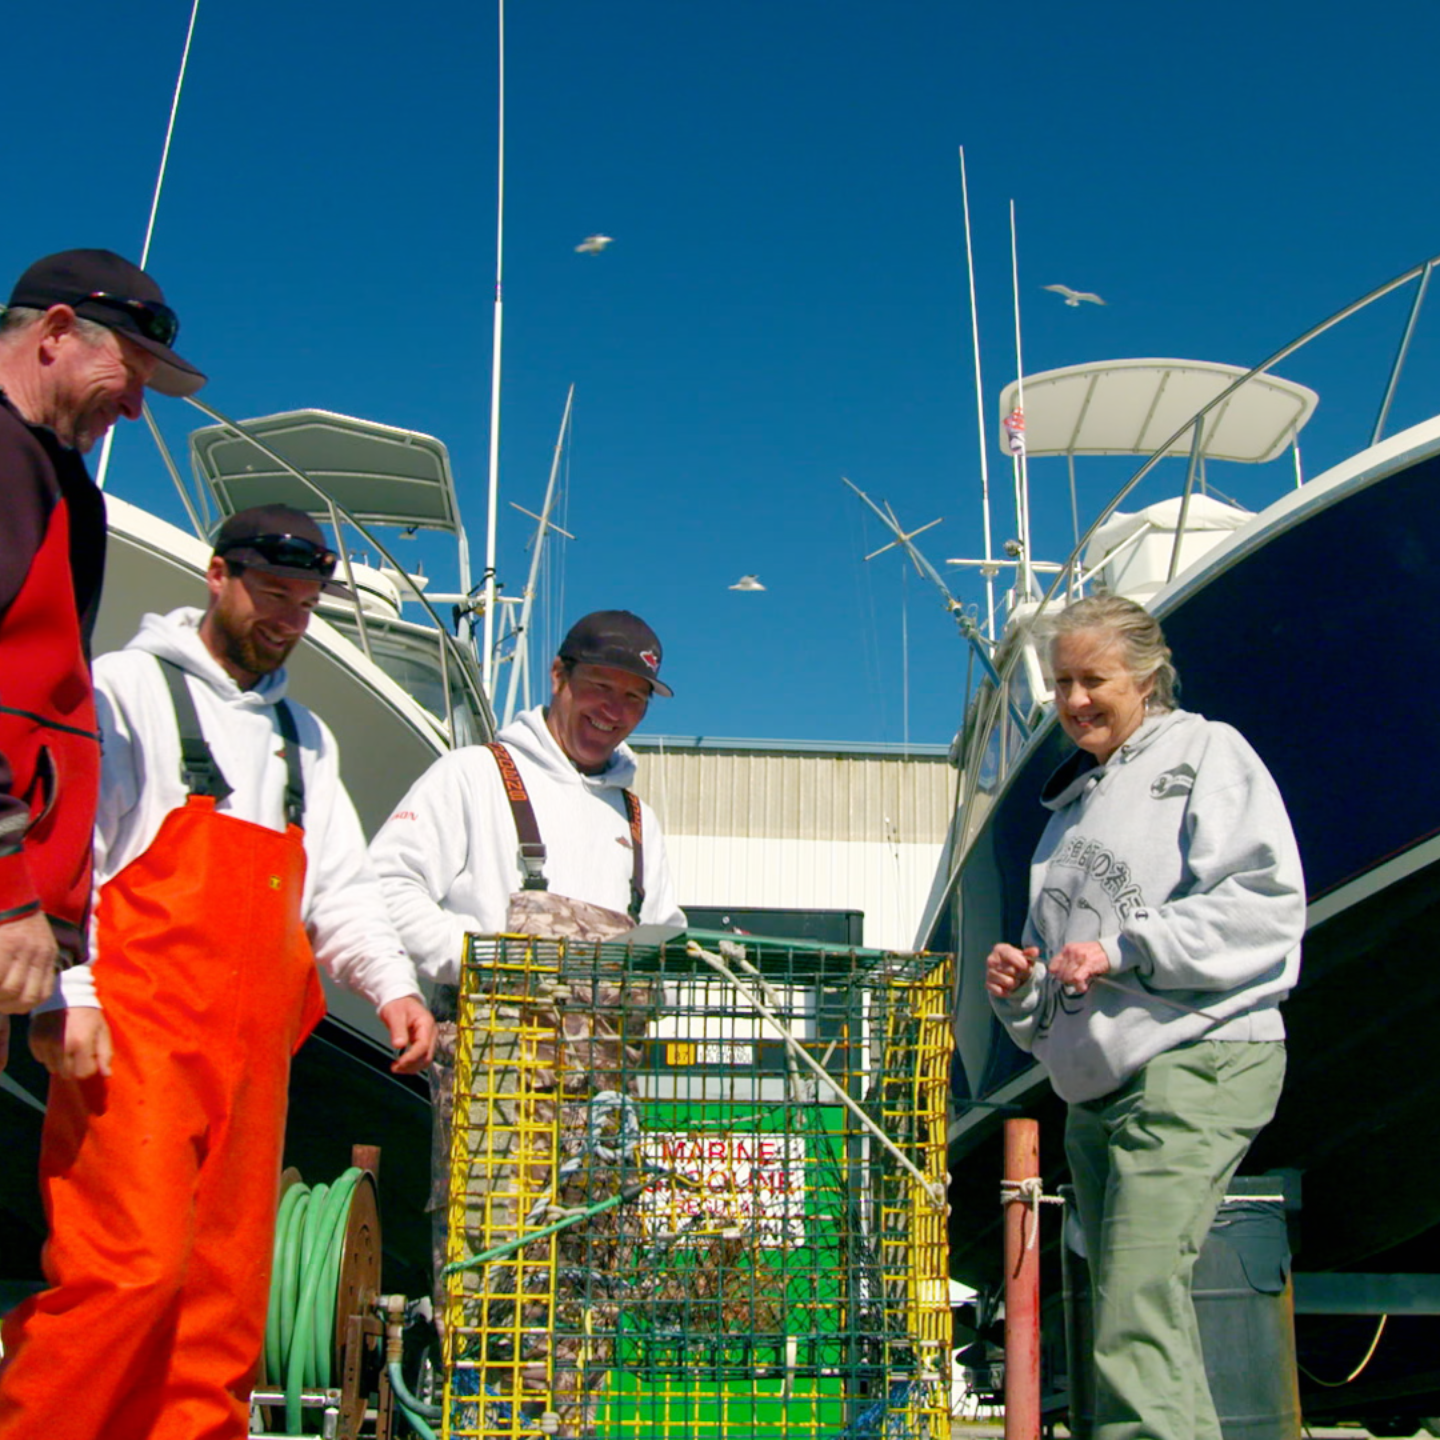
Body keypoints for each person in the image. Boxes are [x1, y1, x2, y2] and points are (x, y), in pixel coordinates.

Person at [0, 505, 437, 1440]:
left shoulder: (305, 737)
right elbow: (72, 861)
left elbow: (341, 891)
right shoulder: (124, 690)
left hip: (254, 1062)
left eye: (306, 603)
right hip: (131, 1046)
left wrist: (393, 988)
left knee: (225, 1296)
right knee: (128, 1275)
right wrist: (65, 997)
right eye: (273, 592)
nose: (288, 617)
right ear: (216, 575)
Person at [985, 594, 1304, 1440]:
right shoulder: (1066, 814)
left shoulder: (1207, 752)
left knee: (1133, 1305)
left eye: (1094, 679)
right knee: (1135, 1310)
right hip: (1096, 1089)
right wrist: (1020, 990)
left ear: (1147, 675)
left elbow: (1267, 906)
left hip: (1198, 1058)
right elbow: (1055, 985)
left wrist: (1125, 948)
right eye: (1062, 683)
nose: (1074, 700)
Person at [368, 609, 685, 1431]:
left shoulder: (638, 822)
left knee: (589, 1302)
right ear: (558, 676)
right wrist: (477, 960)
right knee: (494, 1300)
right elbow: (386, 886)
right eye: (601, 687)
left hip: (605, 1117)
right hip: (498, 1101)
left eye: (634, 698)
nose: (614, 710)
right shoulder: (473, 777)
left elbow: (666, 940)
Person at [0, 248, 205, 1068]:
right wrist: (8, 889)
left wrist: (58, 964)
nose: (135, 407)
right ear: (55, 332)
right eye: (129, 374)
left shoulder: (58, 483)